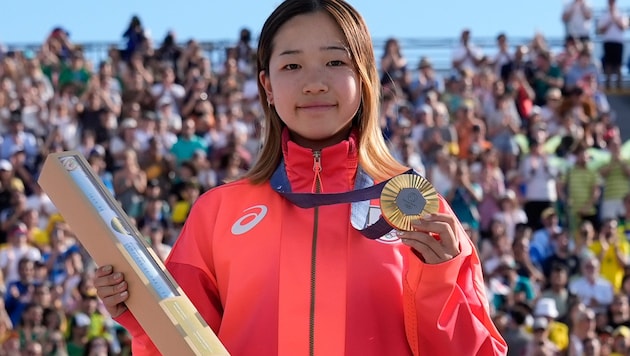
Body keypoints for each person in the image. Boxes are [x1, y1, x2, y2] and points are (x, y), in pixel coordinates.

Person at [94, 1, 506, 355]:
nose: (313, 83)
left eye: (335, 61)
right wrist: (142, 313)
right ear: (267, 86)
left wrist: (440, 281)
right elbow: (181, 347)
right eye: (292, 65)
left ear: (363, 78)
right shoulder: (217, 212)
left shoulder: (418, 206)